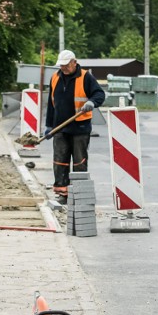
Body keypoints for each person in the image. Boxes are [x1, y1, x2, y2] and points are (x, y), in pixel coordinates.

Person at [44, 50, 105, 204]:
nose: (63, 68)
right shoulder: (55, 78)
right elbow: (51, 105)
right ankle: (63, 194)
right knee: (60, 162)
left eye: (66, 65)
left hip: (80, 128)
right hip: (60, 128)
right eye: (61, 66)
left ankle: (78, 194)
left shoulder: (85, 77)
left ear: (74, 62)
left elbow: (99, 94)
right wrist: (49, 126)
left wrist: (91, 102)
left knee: (79, 162)